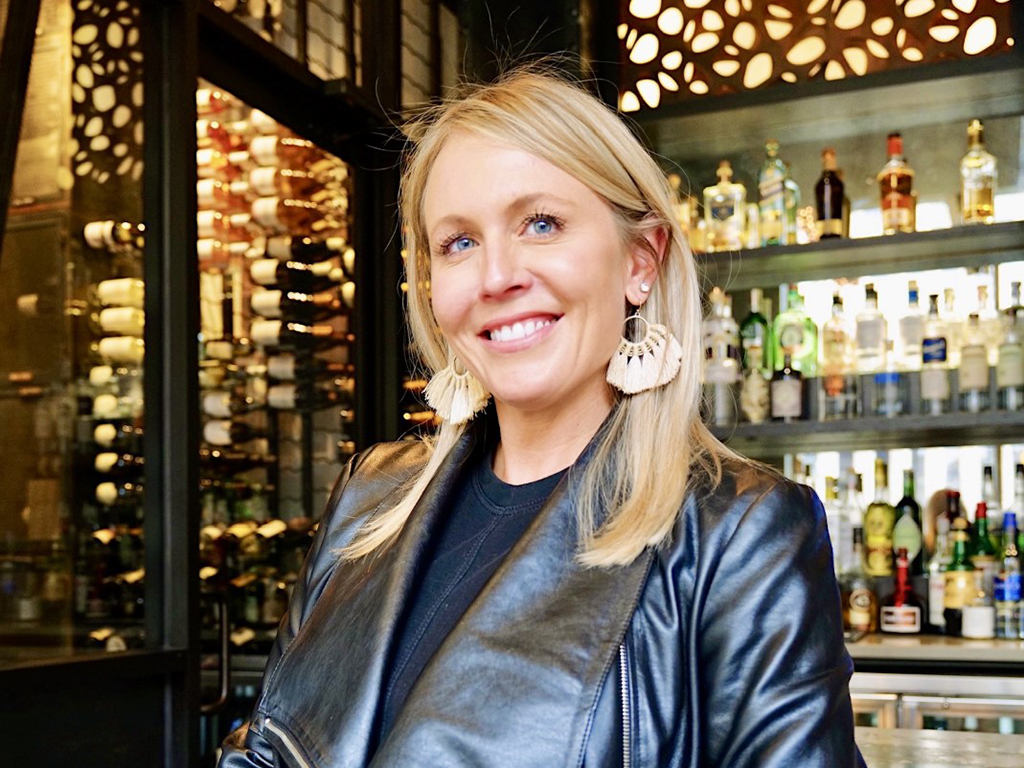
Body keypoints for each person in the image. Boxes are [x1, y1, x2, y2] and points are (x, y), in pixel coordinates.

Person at [219, 64, 864, 768]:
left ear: (640, 262)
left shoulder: (739, 535)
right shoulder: (370, 497)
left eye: (542, 224)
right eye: (458, 243)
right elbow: (266, 749)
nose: (497, 277)